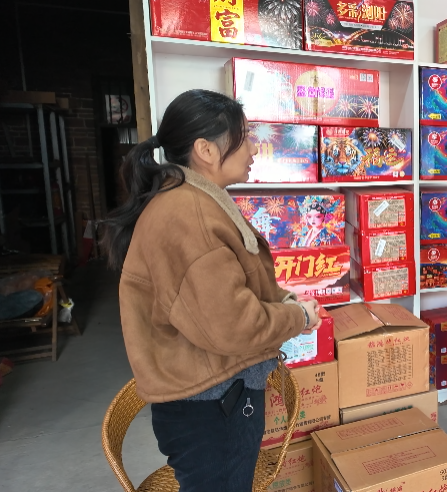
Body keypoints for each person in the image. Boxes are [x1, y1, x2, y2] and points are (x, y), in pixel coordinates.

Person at [101, 89, 321, 492]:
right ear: (205, 150)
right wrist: (298, 316)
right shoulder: (189, 215)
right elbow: (232, 324)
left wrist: (283, 299)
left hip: (211, 397)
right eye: (244, 137)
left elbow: (223, 288)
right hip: (214, 405)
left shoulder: (191, 200)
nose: (254, 148)